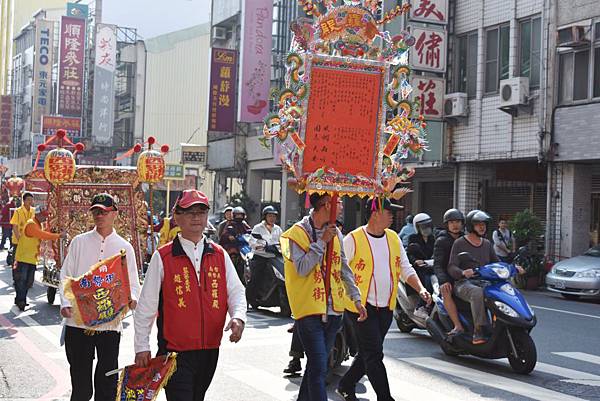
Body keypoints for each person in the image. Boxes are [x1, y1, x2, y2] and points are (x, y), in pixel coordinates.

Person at [134, 189, 246, 401]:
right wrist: (142, 347)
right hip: (174, 353)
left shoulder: (219, 254)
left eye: (201, 211)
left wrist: (238, 317)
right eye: (189, 211)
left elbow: (236, 292)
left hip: (210, 349)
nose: (196, 217)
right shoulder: (163, 256)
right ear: (177, 216)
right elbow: (146, 307)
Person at [337, 198, 431, 401]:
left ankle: (345, 384)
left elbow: (405, 268)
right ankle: (385, 398)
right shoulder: (353, 239)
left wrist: (421, 289)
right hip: (360, 308)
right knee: (374, 354)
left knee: (369, 352)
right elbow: (340, 270)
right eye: (388, 211)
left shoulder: (393, 238)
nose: (392, 215)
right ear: (375, 213)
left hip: (386, 307)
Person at [281, 193, 367, 401]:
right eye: (338, 202)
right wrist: (321, 242)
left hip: (334, 309)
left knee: (316, 366)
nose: (341, 206)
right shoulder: (296, 234)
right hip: (309, 309)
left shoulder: (336, 232)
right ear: (326, 205)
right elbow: (302, 268)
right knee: (319, 366)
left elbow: (343, 267)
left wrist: (356, 298)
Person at [59, 193, 141, 401]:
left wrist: (133, 299)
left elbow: (133, 282)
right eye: (96, 211)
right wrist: (65, 303)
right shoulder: (79, 242)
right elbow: (66, 275)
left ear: (114, 214)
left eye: (104, 212)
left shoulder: (124, 248)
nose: (99, 215)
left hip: (109, 326)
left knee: (107, 383)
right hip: (78, 325)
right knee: (81, 385)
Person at [447, 210, 498, 345]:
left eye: (484, 224)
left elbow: (497, 263)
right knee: (477, 293)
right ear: (470, 226)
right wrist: (463, 273)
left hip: (484, 281)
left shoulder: (487, 244)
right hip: (464, 283)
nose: (482, 227)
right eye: (478, 224)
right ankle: (479, 330)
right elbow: (451, 266)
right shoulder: (460, 243)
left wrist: (514, 268)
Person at [13, 206, 64, 310]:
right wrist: (58, 236)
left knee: (28, 281)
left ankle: (20, 299)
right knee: (22, 280)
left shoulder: (36, 224)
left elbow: (43, 233)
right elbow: (42, 235)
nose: (45, 218)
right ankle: (21, 301)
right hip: (24, 257)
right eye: (44, 216)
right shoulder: (31, 224)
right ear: (38, 214)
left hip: (30, 258)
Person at [432, 208, 465, 336]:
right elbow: (438, 264)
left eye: (457, 222)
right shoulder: (442, 241)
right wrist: (444, 280)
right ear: (447, 225)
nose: (455, 225)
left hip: (464, 275)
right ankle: (457, 326)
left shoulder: (465, 238)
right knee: (446, 292)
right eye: (451, 222)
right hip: (448, 276)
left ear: (462, 223)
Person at [406, 212, 435, 319]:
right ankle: (420, 306)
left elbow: (437, 252)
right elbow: (409, 254)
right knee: (426, 280)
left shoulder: (434, 238)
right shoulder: (413, 238)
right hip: (419, 269)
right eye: (423, 226)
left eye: (428, 225)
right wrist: (416, 261)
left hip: (431, 266)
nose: (426, 228)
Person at [219, 206, 251, 283]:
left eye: (240, 215)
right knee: (233, 254)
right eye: (237, 215)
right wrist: (229, 236)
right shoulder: (230, 224)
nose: (239, 217)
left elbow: (249, 230)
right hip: (232, 245)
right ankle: (230, 271)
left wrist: (252, 233)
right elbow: (224, 234)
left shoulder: (244, 224)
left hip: (243, 246)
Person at [248, 205, 283, 273]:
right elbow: (251, 241)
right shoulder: (258, 227)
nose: (272, 218)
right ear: (265, 217)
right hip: (261, 256)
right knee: (256, 277)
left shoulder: (278, 229)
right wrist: (258, 246)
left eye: (274, 216)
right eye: (270, 216)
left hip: (274, 256)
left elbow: (282, 241)